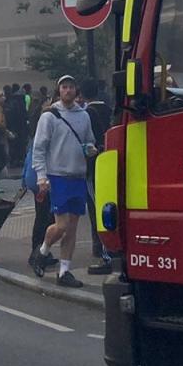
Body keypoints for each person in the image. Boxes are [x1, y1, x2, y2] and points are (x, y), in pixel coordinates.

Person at [30, 76, 97, 287]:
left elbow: (88, 141)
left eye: (71, 87)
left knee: (73, 228)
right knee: (62, 225)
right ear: (59, 91)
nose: (67, 90)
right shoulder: (49, 116)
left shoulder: (84, 115)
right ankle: (42, 251)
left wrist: (90, 149)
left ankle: (64, 271)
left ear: (76, 90)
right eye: (64, 87)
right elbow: (39, 148)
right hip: (57, 176)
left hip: (78, 175)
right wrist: (41, 176)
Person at [80, 76, 114, 274]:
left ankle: (101, 247)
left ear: (82, 94)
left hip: (93, 166)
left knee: (95, 207)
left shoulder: (87, 114)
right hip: (110, 161)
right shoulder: (109, 109)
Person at [4, 83, 28, 171]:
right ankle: (18, 160)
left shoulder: (9, 102)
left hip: (13, 126)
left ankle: (14, 160)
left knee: (13, 144)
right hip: (19, 126)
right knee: (19, 144)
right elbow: (23, 114)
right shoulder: (19, 100)